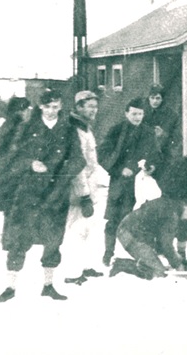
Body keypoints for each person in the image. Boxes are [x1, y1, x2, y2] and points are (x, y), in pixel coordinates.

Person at [0, 90, 86, 302]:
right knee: (18, 238)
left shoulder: (69, 130)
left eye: (57, 107)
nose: (53, 111)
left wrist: (62, 173)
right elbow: (12, 157)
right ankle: (10, 287)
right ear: (41, 107)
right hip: (28, 191)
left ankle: (48, 285)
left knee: (53, 239)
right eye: (49, 106)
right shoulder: (26, 128)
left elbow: (78, 159)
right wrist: (30, 163)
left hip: (56, 191)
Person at [98, 97, 161, 267]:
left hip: (141, 184)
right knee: (114, 219)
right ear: (126, 113)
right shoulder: (116, 130)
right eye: (133, 114)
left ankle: (142, 254)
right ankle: (108, 252)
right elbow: (102, 154)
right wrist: (119, 170)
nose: (137, 117)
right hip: (120, 183)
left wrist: (152, 167)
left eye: (140, 114)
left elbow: (156, 155)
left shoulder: (148, 132)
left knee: (140, 219)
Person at [64, 91, 104, 285]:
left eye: (95, 107)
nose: (94, 110)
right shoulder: (74, 129)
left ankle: (85, 266)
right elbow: (76, 164)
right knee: (75, 230)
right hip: (78, 188)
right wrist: (84, 194)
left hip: (90, 186)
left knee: (87, 228)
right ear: (79, 107)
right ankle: (72, 272)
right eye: (90, 107)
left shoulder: (85, 127)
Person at [109, 197, 187, 279]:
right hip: (130, 235)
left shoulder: (172, 207)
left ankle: (132, 264)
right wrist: (178, 264)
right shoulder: (172, 215)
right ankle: (121, 265)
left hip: (130, 231)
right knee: (158, 273)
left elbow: (161, 239)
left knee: (156, 267)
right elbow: (166, 244)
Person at [0, 97, 31, 212]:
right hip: (11, 161)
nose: (27, 112)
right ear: (20, 110)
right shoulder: (16, 123)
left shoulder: (9, 122)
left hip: (6, 160)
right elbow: (14, 144)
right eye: (26, 109)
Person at [143, 83, 181, 181]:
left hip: (164, 156)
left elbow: (177, 138)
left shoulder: (172, 115)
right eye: (152, 98)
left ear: (162, 99)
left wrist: (163, 135)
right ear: (148, 98)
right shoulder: (142, 113)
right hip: (145, 155)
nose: (155, 101)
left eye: (158, 98)